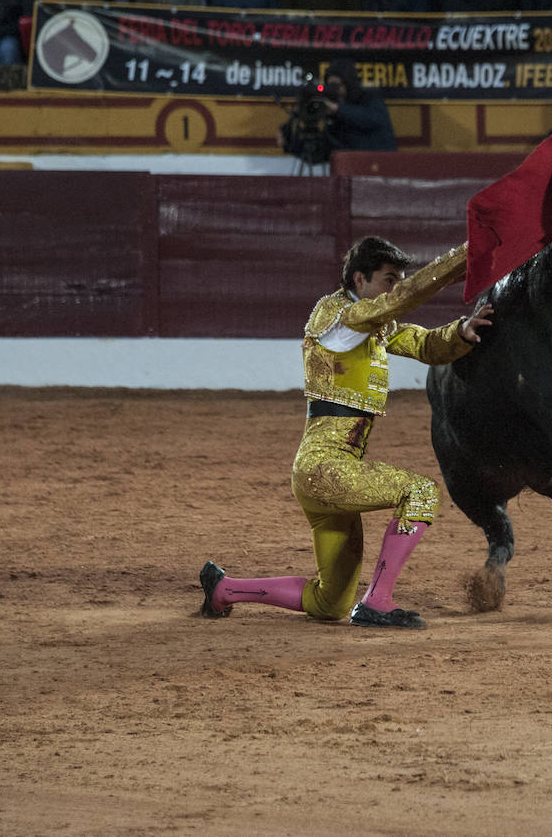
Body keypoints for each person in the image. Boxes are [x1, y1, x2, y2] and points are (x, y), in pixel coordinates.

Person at [199, 237, 493, 630]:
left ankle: (224, 590)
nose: (395, 288)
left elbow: (424, 343)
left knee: (330, 601)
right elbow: (398, 302)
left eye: (398, 280)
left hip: (327, 473)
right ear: (359, 277)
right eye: (389, 279)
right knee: (421, 492)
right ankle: (378, 601)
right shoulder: (334, 313)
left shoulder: (376, 326)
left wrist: (462, 330)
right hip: (323, 468)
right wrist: (466, 256)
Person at [322, 57, 397, 151]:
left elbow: (371, 119)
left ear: (348, 83)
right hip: (349, 160)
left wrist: (337, 109)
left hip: (378, 159)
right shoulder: (336, 110)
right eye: (329, 86)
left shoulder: (369, 98)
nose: (333, 91)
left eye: (336, 86)